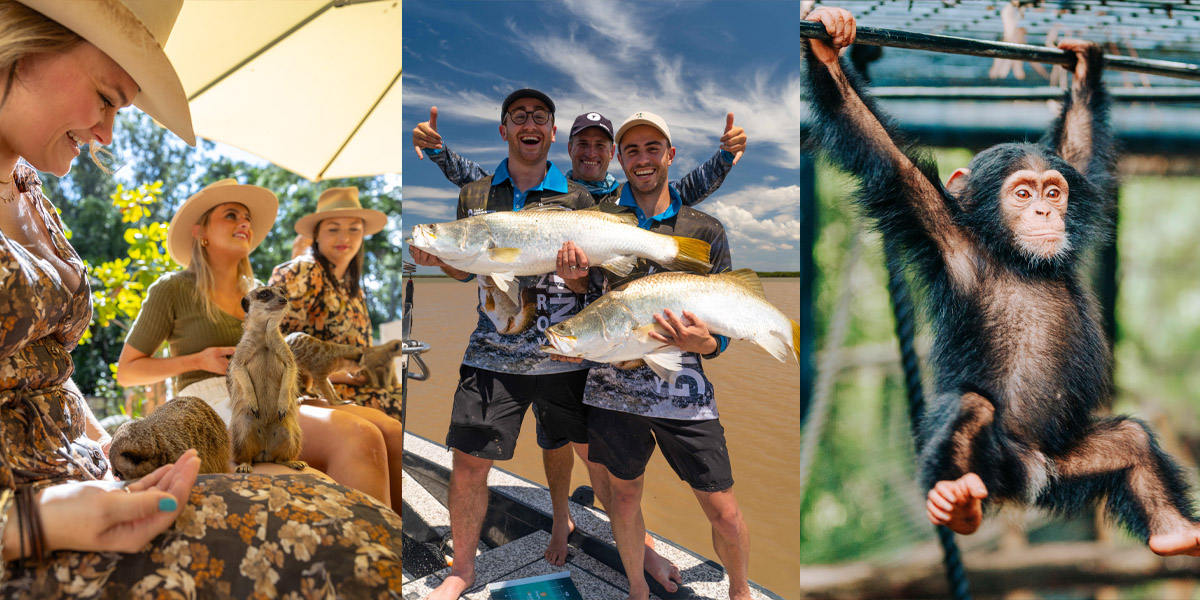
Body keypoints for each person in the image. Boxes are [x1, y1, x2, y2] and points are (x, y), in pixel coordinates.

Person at [0, 0, 400, 594]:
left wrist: (108, 452)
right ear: (22, 46)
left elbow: (49, 370)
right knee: (358, 547)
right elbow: (129, 370)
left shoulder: (29, 188)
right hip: (34, 517)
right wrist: (30, 520)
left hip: (89, 469)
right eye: (107, 97)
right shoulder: (177, 289)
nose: (109, 133)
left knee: (370, 469)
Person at [410, 88, 601, 600]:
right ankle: (463, 569)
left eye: (540, 116)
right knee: (469, 461)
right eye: (519, 117)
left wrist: (579, 279)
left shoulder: (577, 198)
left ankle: (572, 522)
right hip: (491, 353)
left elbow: (588, 285)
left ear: (552, 132)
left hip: (564, 352)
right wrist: (442, 259)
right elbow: (466, 267)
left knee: (586, 455)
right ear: (505, 130)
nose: (529, 123)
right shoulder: (475, 194)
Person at [116, 179, 402, 510]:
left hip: (279, 393)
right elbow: (127, 372)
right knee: (358, 436)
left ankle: (404, 554)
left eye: (247, 218)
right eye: (231, 215)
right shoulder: (172, 288)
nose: (244, 223)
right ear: (200, 231)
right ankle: (371, 558)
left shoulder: (260, 292)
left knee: (391, 432)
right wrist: (199, 359)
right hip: (212, 402)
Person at [582, 112, 750, 600]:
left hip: (686, 394)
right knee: (625, 498)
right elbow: (585, 295)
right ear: (619, 158)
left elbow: (726, 313)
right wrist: (573, 274)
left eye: (652, 148)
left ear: (670, 155)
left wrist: (709, 344)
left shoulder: (705, 228)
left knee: (722, 507)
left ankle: (740, 591)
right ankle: (636, 587)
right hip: (613, 391)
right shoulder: (600, 221)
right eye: (631, 150)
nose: (642, 159)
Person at [270, 185, 405, 506]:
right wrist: (341, 376)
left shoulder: (353, 286)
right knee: (395, 427)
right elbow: (271, 344)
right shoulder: (301, 272)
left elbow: (364, 353)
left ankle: (410, 535)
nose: (344, 236)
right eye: (333, 228)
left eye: (354, 229)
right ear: (316, 235)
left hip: (355, 388)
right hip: (304, 391)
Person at [413, 105, 747, 205]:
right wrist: (438, 151)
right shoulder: (548, 193)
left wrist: (724, 156)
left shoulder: (628, 197)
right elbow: (481, 182)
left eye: (600, 145)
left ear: (612, 152)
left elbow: (684, 192)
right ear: (568, 148)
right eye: (582, 144)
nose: (590, 152)